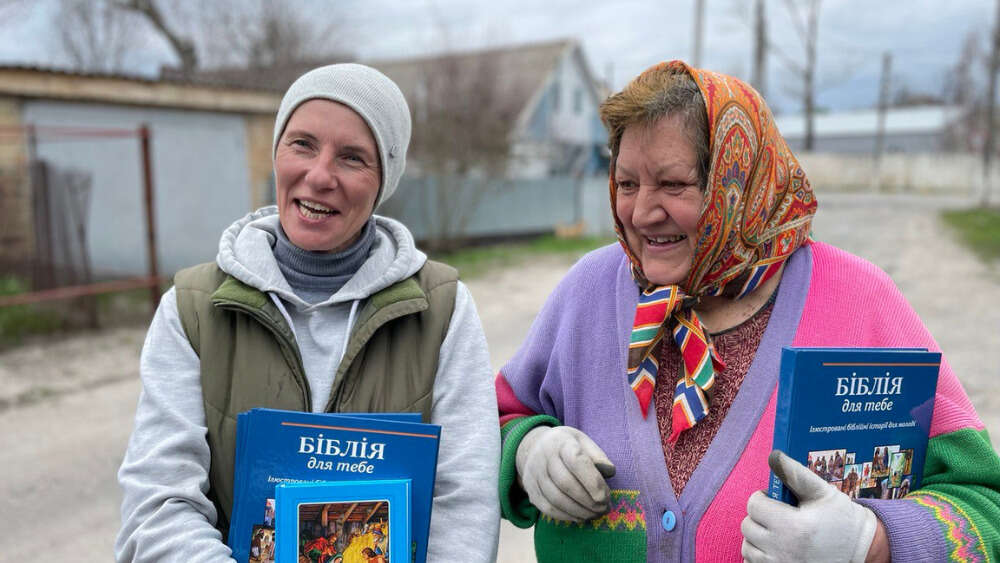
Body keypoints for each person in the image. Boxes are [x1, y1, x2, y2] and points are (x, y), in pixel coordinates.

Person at [495, 60, 1000, 562]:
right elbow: (494, 418)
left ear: (742, 184)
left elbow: (984, 511)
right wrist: (526, 448)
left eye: (673, 185)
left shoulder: (861, 301)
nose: (642, 212)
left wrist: (874, 544)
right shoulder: (589, 292)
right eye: (627, 184)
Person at [115, 63, 500, 562]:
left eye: (352, 157)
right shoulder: (193, 309)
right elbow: (159, 500)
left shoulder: (441, 309)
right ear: (276, 153)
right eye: (302, 144)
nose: (319, 176)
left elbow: (464, 501)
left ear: (383, 181)